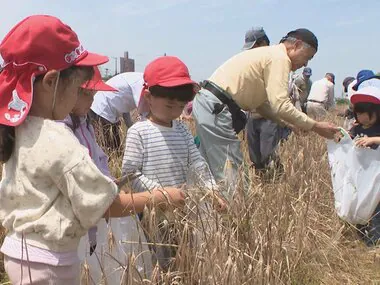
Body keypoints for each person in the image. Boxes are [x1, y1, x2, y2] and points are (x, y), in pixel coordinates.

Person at [0, 15, 184, 284]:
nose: (80, 98)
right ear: (51, 82)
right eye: (77, 89)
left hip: (19, 253)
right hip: (51, 264)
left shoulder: (18, 129)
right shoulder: (58, 140)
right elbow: (106, 206)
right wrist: (162, 196)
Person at [122, 56, 227, 270]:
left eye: (180, 105)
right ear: (149, 97)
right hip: (151, 211)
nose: (175, 110)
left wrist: (211, 190)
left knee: (183, 256)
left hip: (182, 209)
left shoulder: (182, 130)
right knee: (157, 260)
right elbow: (131, 174)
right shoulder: (138, 132)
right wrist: (161, 194)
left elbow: (197, 163)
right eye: (169, 103)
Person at [192, 28, 338, 181]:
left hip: (210, 105)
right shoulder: (280, 58)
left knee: (205, 168)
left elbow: (261, 105)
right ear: (297, 45)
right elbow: (280, 104)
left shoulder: (270, 55)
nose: (305, 63)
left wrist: (290, 124)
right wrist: (316, 126)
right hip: (216, 108)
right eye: (307, 57)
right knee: (233, 176)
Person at [61, 67, 153, 282]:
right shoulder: (60, 131)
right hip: (84, 216)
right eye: (87, 94)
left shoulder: (83, 123)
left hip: (100, 206)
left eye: (93, 95)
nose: (91, 101)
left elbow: (99, 157)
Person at [345, 78, 380, 246]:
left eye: (364, 113)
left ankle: (373, 242)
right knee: (361, 204)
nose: (360, 116)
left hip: (376, 179)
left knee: (376, 209)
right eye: (358, 113)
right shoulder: (356, 128)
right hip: (361, 177)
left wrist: (374, 139)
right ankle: (362, 237)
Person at [89, 72, 146, 153]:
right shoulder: (140, 83)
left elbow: (124, 107)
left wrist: (130, 127)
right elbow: (143, 114)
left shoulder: (136, 79)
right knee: (108, 151)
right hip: (101, 111)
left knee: (116, 150)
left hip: (107, 113)